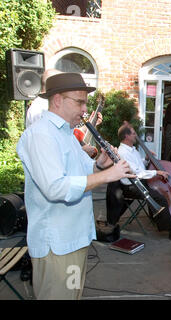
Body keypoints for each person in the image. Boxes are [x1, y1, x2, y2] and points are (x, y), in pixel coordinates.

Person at [16, 72, 135, 299]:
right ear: (58, 100)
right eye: (79, 102)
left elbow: (85, 171)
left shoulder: (68, 134)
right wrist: (109, 175)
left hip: (75, 237)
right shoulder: (41, 135)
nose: (84, 109)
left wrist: (101, 163)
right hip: (57, 244)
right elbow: (56, 188)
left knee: (72, 294)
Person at [114, 123, 171, 243]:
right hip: (131, 185)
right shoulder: (122, 153)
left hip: (139, 182)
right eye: (133, 133)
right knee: (160, 199)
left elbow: (139, 165)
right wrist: (157, 172)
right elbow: (136, 172)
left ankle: (157, 218)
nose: (136, 136)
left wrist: (145, 159)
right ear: (126, 136)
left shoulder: (132, 150)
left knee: (156, 191)